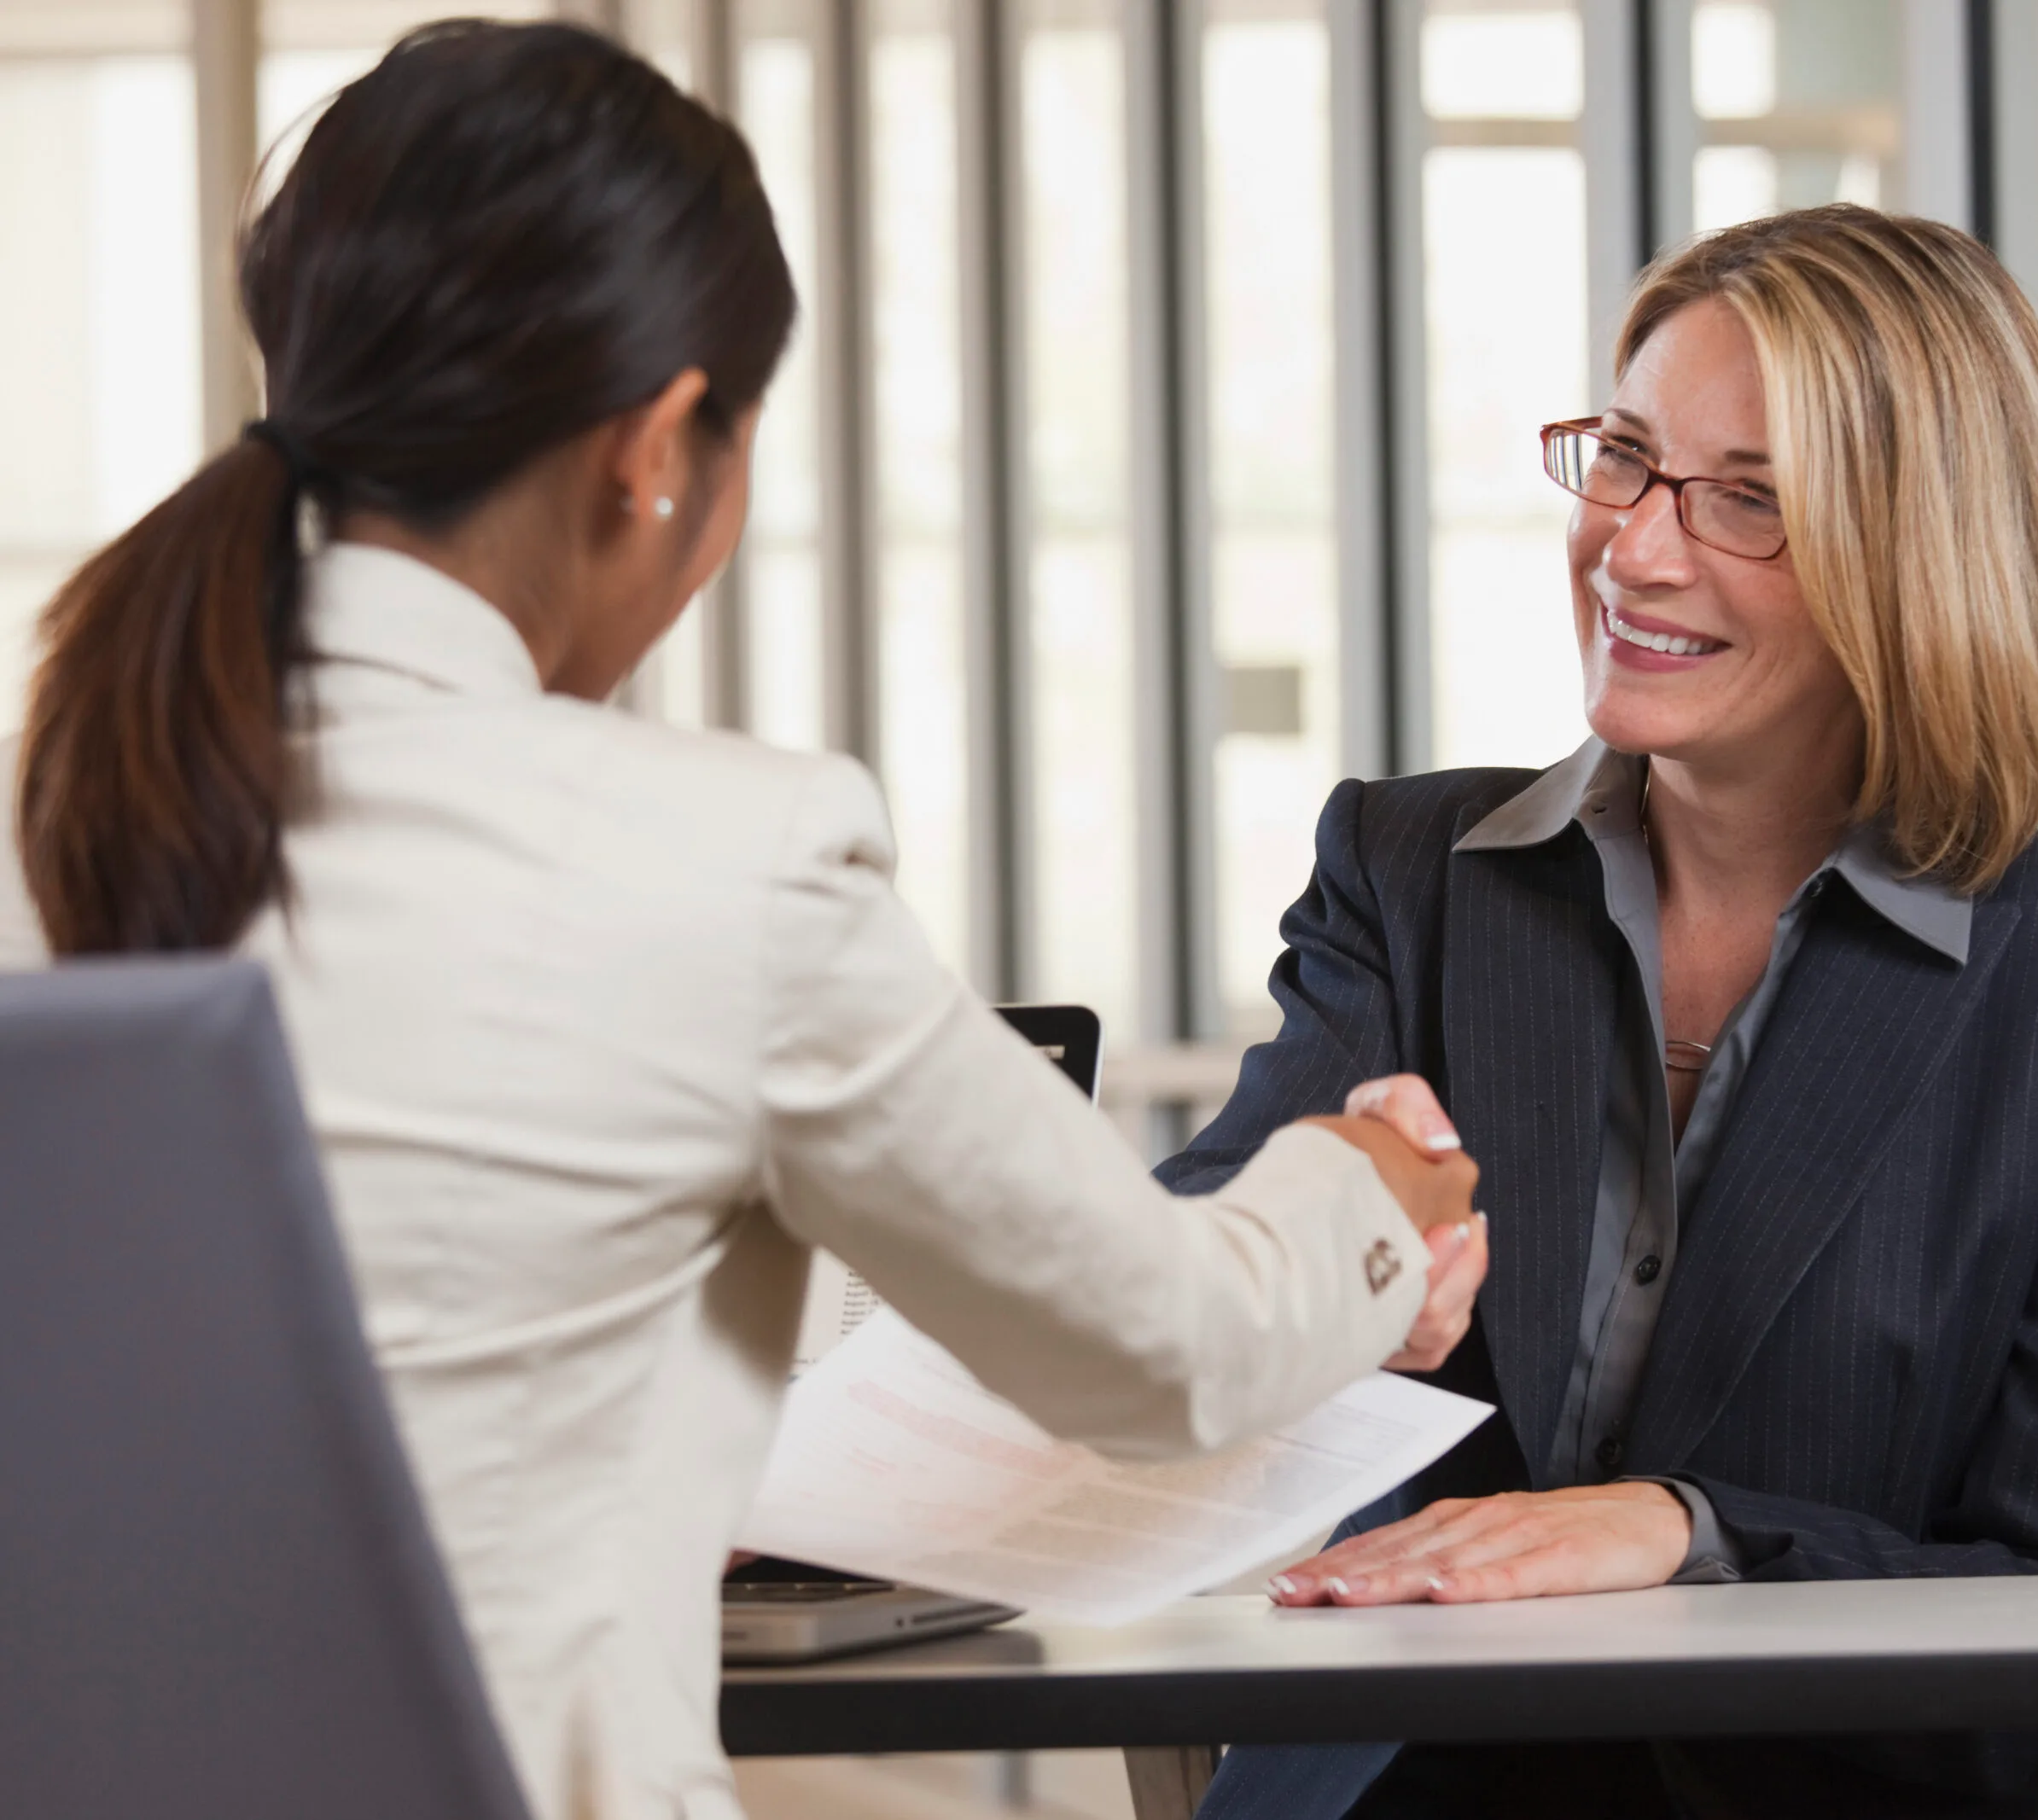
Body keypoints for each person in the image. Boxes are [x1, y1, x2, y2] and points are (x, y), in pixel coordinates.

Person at [0, 22, 1488, 1820]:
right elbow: (1160, 1346)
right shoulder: (723, 860)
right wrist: (1362, 1191)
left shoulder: (61, 785)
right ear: (654, 451)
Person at [1167, 205, 2038, 1820]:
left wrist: (1688, 1532)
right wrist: (1309, 1234)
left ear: (1924, 557)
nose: (1634, 546)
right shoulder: (1411, 871)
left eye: (1747, 502)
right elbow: (1160, 1303)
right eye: (1626, 459)